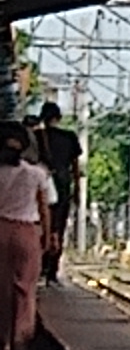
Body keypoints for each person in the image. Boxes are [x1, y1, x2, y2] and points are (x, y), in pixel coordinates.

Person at [0, 126, 50, 350]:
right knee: (25, 286)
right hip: (26, 231)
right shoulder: (37, 173)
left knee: (2, 286)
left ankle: (3, 339)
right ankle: (21, 336)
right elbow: (44, 207)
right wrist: (47, 236)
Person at [33, 103, 77, 279]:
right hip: (63, 185)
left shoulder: (36, 137)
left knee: (41, 225)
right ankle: (52, 269)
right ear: (58, 118)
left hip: (41, 184)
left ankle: (41, 264)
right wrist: (78, 189)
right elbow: (75, 166)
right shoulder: (70, 137)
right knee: (59, 227)